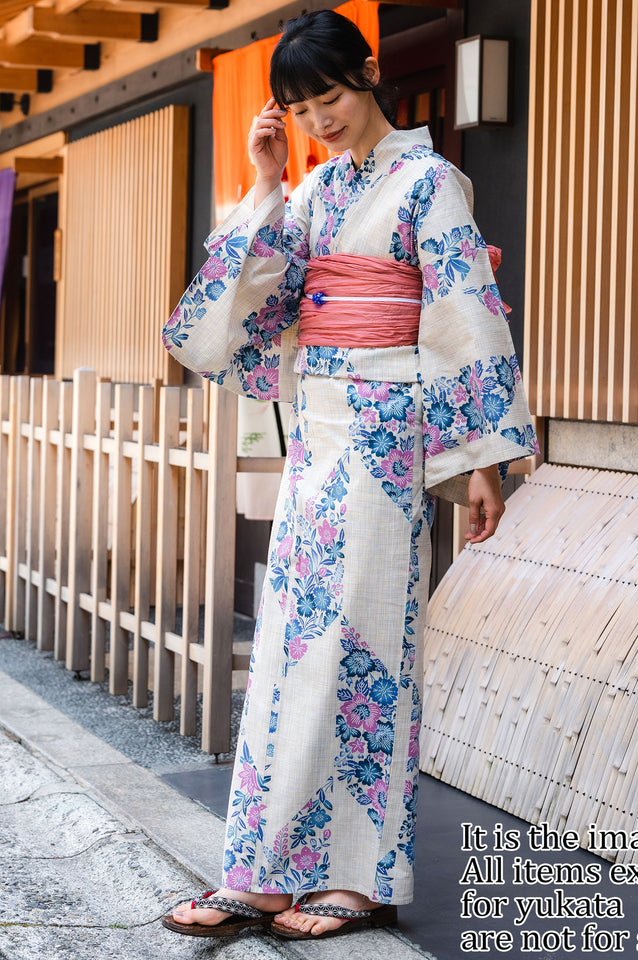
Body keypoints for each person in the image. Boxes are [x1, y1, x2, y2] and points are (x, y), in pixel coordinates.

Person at [160, 8, 538, 941]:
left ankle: (362, 876)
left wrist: (482, 460)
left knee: (363, 648)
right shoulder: (318, 193)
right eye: (300, 106)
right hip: (318, 438)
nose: (320, 119)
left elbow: (462, 313)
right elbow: (249, 308)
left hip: (387, 439)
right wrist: (265, 183)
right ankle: (264, 868)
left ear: (368, 75)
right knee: (292, 648)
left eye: (328, 96)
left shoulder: (428, 183)